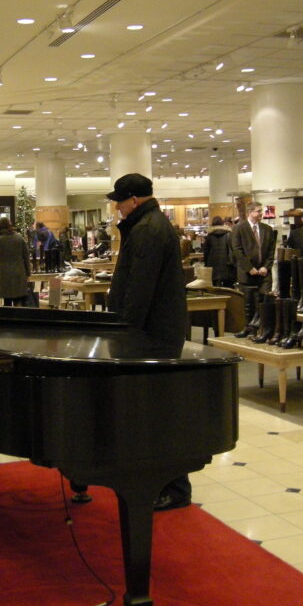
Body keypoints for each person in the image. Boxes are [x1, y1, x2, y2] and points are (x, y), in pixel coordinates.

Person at [105, 173, 190, 511]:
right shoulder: (147, 226)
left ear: (134, 200)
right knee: (154, 411)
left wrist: (125, 331)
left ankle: (176, 487)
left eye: (119, 201)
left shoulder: (148, 230)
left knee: (159, 412)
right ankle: (160, 479)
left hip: (153, 337)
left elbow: (140, 290)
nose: (116, 207)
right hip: (155, 333)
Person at [231, 201, 276, 293]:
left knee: (265, 302)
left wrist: (266, 267)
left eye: (261, 211)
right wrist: (249, 268)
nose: (261, 213)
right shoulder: (239, 228)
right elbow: (237, 250)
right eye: (258, 211)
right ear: (250, 212)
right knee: (249, 303)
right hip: (246, 274)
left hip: (264, 274)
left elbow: (271, 250)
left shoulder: (267, 229)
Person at [0, 217, 32, 306]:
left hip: (4, 273)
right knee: (18, 300)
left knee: (7, 302)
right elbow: (26, 256)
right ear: (9, 225)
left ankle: (8, 318)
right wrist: (28, 273)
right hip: (19, 272)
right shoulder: (19, 237)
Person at [201, 216, 236, 287]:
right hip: (227, 264)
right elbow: (233, 249)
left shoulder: (209, 236)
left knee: (214, 289)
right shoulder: (228, 234)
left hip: (212, 264)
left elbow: (206, 252)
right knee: (228, 289)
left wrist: (206, 263)